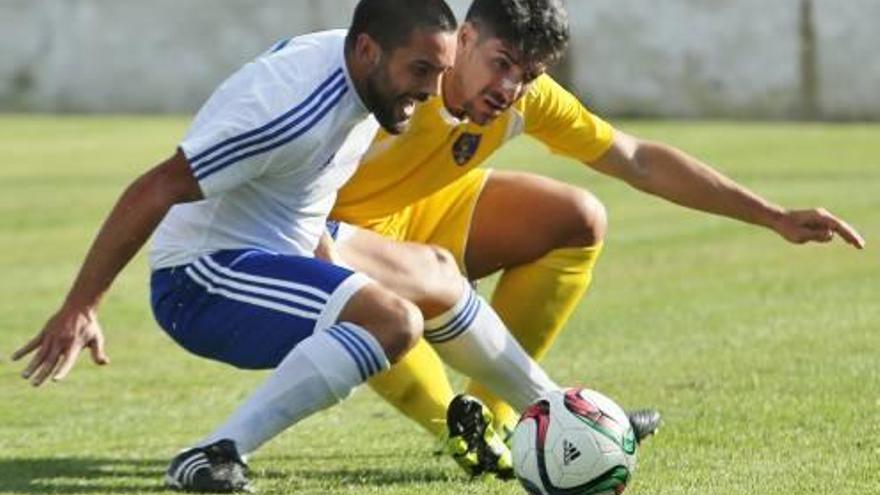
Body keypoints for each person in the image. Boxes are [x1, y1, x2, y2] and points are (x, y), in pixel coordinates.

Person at [11, 0, 570, 492]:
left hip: (283, 247)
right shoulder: (287, 113)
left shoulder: (358, 72)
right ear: (370, 51)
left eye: (439, 72)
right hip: (203, 279)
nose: (429, 91)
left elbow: (306, 193)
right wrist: (81, 306)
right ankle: (213, 453)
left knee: (437, 273)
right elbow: (153, 188)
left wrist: (337, 278)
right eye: (420, 71)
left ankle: (561, 413)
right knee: (392, 321)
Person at [325, 0, 867, 468]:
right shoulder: (384, 77)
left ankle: (510, 413)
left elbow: (637, 160)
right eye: (502, 63)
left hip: (416, 215)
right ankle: (456, 426)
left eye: (530, 73)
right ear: (464, 38)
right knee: (388, 310)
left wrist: (772, 216)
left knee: (579, 217)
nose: (511, 88)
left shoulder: (525, 98)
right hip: (323, 240)